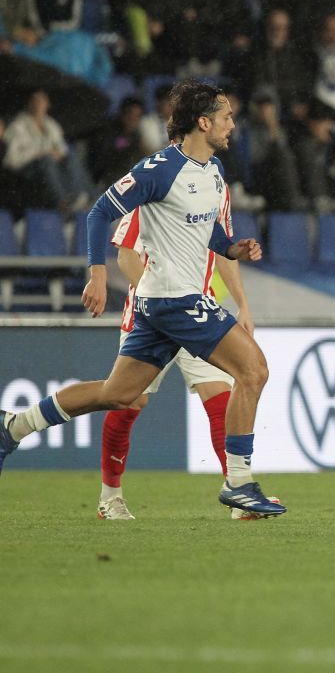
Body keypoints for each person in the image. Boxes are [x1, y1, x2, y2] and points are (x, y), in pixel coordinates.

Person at [0, 80, 285, 518]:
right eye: (226, 116)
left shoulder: (213, 172)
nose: (233, 124)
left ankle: (14, 426)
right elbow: (99, 211)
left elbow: (205, 229)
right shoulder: (159, 169)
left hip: (162, 306)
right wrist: (97, 275)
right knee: (254, 369)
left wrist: (231, 249)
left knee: (119, 394)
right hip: (174, 299)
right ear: (203, 122)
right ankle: (240, 484)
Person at [98, 182, 274, 521]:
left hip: (198, 315)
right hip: (152, 316)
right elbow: (125, 254)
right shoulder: (155, 194)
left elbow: (225, 252)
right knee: (128, 401)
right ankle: (110, 497)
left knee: (220, 396)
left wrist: (243, 305)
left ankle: (238, 494)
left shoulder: (214, 194)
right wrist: (159, 297)